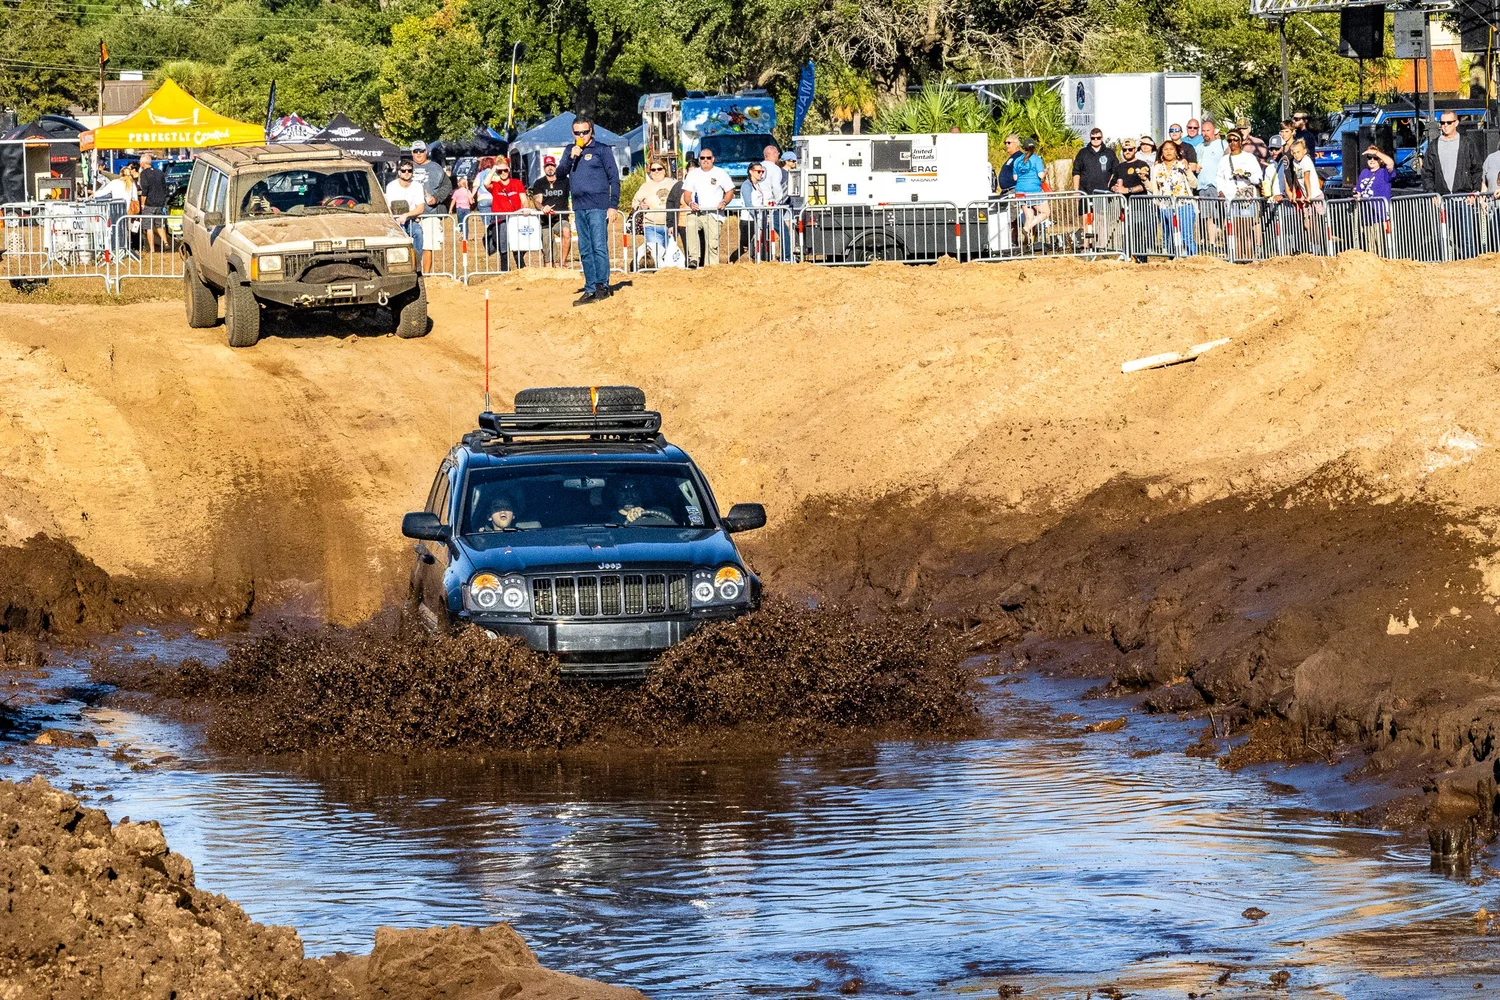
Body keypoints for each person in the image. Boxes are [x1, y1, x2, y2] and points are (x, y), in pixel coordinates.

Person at [554, 113, 620, 304]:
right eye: (577, 132)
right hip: (579, 206)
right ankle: (590, 287)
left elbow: (614, 179)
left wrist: (612, 205)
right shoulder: (570, 150)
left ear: (591, 130)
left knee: (599, 246)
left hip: (598, 206)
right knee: (584, 248)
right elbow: (559, 175)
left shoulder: (602, 149)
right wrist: (570, 157)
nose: (581, 136)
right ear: (572, 133)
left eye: (585, 132)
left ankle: (603, 286)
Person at [1421, 111, 1485, 259]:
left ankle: (1470, 265)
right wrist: (1432, 193)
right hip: (1443, 200)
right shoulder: (1434, 145)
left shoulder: (1466, 143)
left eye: (1449, 123)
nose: (1445, 126)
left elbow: (1477, 168)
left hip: (1464, 198)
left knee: (1467, 238)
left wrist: (1474, 192)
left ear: (1456, 123)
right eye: (1442, 123)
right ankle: (1443, 266)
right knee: (1442, 237)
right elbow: (1427, 172)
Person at [1215, 131, 1265, 260]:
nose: (1232, 143)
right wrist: (1220, 191)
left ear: (1241, 141)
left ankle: (1248, 258)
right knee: (1236, 231)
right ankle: (1237, 259)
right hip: (1231, 198)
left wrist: (1245, 174)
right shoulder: (1224, 160)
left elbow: (1258, 177)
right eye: (1230, 140)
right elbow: (1219, 177)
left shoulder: (1249, 158)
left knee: (1246, 231)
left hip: (1246, 199)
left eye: (1235, 140)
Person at [681, 147, 733, 268]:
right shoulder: (693, 174)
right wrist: (690, 203)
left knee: (712, 244)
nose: (705, 160)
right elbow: (687, 194)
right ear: (699, 159)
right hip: (697, 212)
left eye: (708, 158)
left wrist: (724, 202)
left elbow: (730, 191)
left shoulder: (720, 173)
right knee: (690, 223)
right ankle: (693, 258)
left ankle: (712, 269)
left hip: (714, 214)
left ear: (713, 159)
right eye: (702, 158)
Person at [1148, 139, 1197, 256]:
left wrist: (1188, 170)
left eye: (1171, 149)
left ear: (1176, 151)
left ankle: (1192, 259)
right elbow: (1153, 188)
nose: (1168, 152)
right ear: (1161, 153)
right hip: (1166, 206)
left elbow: (1194, 184)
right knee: (1172, 235)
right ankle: (1175, 260)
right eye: (1165, 149)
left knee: (1186, 235)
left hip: (1184, 203)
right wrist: (1145, 180)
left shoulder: (1182, 164)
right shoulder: (1157, 168)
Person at [409, 142, 452, 274]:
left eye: (421, 151)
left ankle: (426, 275)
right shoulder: (406, 167)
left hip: (430, 214)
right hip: (410, 214)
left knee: (428, 246)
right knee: (410, 247)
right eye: (415, 151)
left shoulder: (436, 167)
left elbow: (447, 186)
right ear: (411, 153)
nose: (418, 154)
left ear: (426, 151)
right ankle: (413, 275)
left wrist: (436, 198)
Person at [1071, 128, 1117, 249]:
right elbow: (1076, 172)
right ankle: (1087, 246)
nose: (1095, 140)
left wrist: (1110, 185)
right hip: (1086, 192)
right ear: (1090, 138)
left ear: (1102, 138)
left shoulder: (1109, 153)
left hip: (1103, 192)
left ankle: (1100, 246)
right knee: (1087, 220)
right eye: (1093, 138)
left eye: (1098, 138)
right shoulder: (1082, 153)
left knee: (1101, 220)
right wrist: (1076, 191)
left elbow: (1115, 171)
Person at [484, 160, 529, 271]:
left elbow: (524, 199)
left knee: (518, 247)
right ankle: (505, 271)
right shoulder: (495, 185)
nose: (503, 173)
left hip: (515, 219)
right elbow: (485, 183)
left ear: (509, 170)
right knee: (503, 248)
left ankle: (522, 269)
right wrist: (494, 169)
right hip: (500, 221)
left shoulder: (517, 183)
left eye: (505, 170)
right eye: (500, 171)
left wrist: (525, 208)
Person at [529, 155, 572, 267]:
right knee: (547, 241)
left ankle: (562, 263)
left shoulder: (565, 181)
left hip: (560, 218)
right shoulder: (539, 183)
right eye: (547, 166)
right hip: (545, 220)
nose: (550, 168)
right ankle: (549, 266)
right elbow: (537, 200)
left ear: (555, 166)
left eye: (552, 165)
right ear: (544, 168)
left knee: (566, 232)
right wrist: (543, 208)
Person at [1110, 139, 1151, 257]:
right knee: (1126, 233)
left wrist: (1127, 190)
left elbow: (1145, 185)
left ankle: (1141, 259)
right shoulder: (1119, 167)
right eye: (1124, 150)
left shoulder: (1142, 165)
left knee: (1138, 233)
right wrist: (1115, 188)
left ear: (1135, 150)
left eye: (1130, 149)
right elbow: (1111, 184)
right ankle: (1128, 257)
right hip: (1124, 206)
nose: (1127, 152)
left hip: (1139, 206)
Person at [631, 158, 675, 266]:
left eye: (659, 169)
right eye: (653, 169)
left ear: (664, 170)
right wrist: (640, 206)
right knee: (656, 255)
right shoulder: (645, 186)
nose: (656, 172)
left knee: (669, 255)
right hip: (651, 225)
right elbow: (634, 202)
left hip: (670, 225)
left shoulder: (673, 184)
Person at [1352, 145, 1394, 256]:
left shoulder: (1384, 172)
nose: (1372, 160)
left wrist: (1377, 153)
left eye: (1374, 158)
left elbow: (1390, 163)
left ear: (1380, 160)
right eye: (1369, 157)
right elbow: (1359, 190)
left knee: (1381, 249)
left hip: (1380, 217)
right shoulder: (1364, 172)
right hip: (1366, 217)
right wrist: (1357, 195)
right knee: (1370, 251)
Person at [384, 157, 426, 263]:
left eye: (409, 170)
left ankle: (416, 263)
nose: (406, 173)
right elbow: (389, 207)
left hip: (410, 221)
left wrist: (407, 215)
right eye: (403, 170)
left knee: (418, 232)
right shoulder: (391, 186)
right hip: (394, 221)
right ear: (399, 172)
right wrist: (397, 219)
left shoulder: (417, 186)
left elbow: (420, 208)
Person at [1013, 136, 1050, 244]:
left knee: (1029, 217)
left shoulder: (1017, 161)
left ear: (1023, 148)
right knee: (1045, 212)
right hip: (1033, 190)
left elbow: (1015, 178)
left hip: (1020, 191)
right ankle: (1027, 228)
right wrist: (1045, 172)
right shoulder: (1036, 159)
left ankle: (1026, 246)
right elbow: (1040, 175)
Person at [760, 143, 793, 261]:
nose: (778, 156)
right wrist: (778, 202)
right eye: (777, 154)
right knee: (783, 231)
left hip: (759, 205)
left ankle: (760, 256)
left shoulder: (758, 167)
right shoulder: (775, 169)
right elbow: (777, 188)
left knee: (760, 230)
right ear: (773, 154)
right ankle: (787, 257)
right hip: (772, 205)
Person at [136, 152, 169, 253]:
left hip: (149, 204)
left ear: (143, 163)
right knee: (159, 225)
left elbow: (145, 190)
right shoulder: (159, 172)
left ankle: (152, 249)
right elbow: (164, 188)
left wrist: (142, 204)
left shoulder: (144, 174)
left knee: (148, 226)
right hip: (160, 203)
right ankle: (166, 242)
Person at [738, 161, 771, 260]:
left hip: (757, 219)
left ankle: (756, 262)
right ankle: (729, 263)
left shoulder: (757, 185)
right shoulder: (746, 185)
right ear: (751, 172)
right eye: (758, 171)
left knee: (754, 246)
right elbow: (749, 204)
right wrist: (756, 216)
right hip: (748, 220)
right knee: (744, 248)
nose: (761, 173)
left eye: (762, 171)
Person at [1196, 119, 1228, 199]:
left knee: (1216, 211)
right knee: (1204, 211)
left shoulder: (1223, 144)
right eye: (1203, 131)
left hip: (1216, 186)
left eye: (1208, 130)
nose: (1205, 133)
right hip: (1201, 187)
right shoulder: (1199, 147)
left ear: (1214, 131)